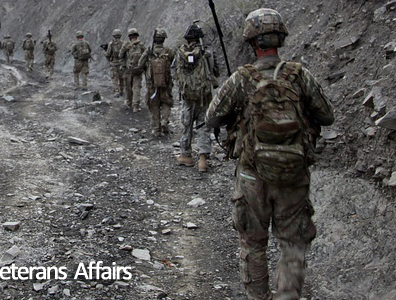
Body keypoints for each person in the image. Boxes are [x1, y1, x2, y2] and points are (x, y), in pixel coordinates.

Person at [205, 8, 334, 300]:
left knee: (253, 244)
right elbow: (327, 116)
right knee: (292, 244)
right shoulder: (299, 75)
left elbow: (212, 117)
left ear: (252, 42)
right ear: (281, 39)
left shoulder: (242, 78)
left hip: (252, 175)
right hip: (294, 174)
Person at [174, 22, 217, 172]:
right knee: (203, 126)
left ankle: (186, 156)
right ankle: (203, 160)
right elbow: (215, 72)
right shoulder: (207, 53)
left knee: (187, 125)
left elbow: (175, 72)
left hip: (187, 97)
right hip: (204, 96)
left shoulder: (180, 53)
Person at [138, 28, 175, 137]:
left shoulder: (149, 51)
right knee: (167, 102)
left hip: (152, 85)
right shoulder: (169, 51)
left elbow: (140, 64)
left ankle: (156, 129)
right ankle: (164, 121)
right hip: (166, 84)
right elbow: (175, 64)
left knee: (153, 105)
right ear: (163, 39)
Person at [120, 28, 146, 112]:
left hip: (128, 70)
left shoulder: (126, 44)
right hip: (138, 70)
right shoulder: (141, 45)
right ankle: (136, 106)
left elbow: (120, 55)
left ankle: (128, 103)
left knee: (128, 87)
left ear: (129, 36)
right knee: (137, 87)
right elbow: (145, 56)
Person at [105, 29, 125, 97]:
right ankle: (122, 90)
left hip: (114, 63)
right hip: (121, 63)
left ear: (113, 36)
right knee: (121, 78)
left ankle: (116, 91)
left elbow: (108, 54)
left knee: (114, 78)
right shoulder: (123, 43)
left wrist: (104, 53)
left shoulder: (111, 44)